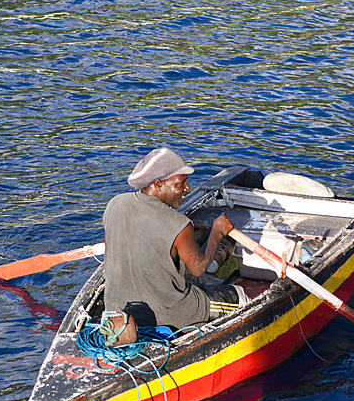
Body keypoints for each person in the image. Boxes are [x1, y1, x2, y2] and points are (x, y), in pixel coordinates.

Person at [102, 147, 247, 343]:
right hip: (169, 312)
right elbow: (198, 268)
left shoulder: (115, 204)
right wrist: (216, 233)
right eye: (181, 183)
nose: (187, 188)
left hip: (119, 310)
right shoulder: (179, 224)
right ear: (158, 184)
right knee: (240, 296)